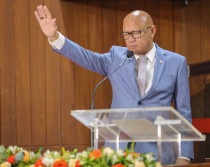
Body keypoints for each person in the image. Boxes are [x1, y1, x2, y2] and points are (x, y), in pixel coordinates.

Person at [35, 5, 193, 165]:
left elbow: (184, 112)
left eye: (136, 33)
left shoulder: (176, 62)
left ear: (152, 31)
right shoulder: (117, 57)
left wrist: (184, 155)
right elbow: (86, 57)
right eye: (125, 34)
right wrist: (55, 36)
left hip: (158, 154)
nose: (130, 40)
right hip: (118, 152)